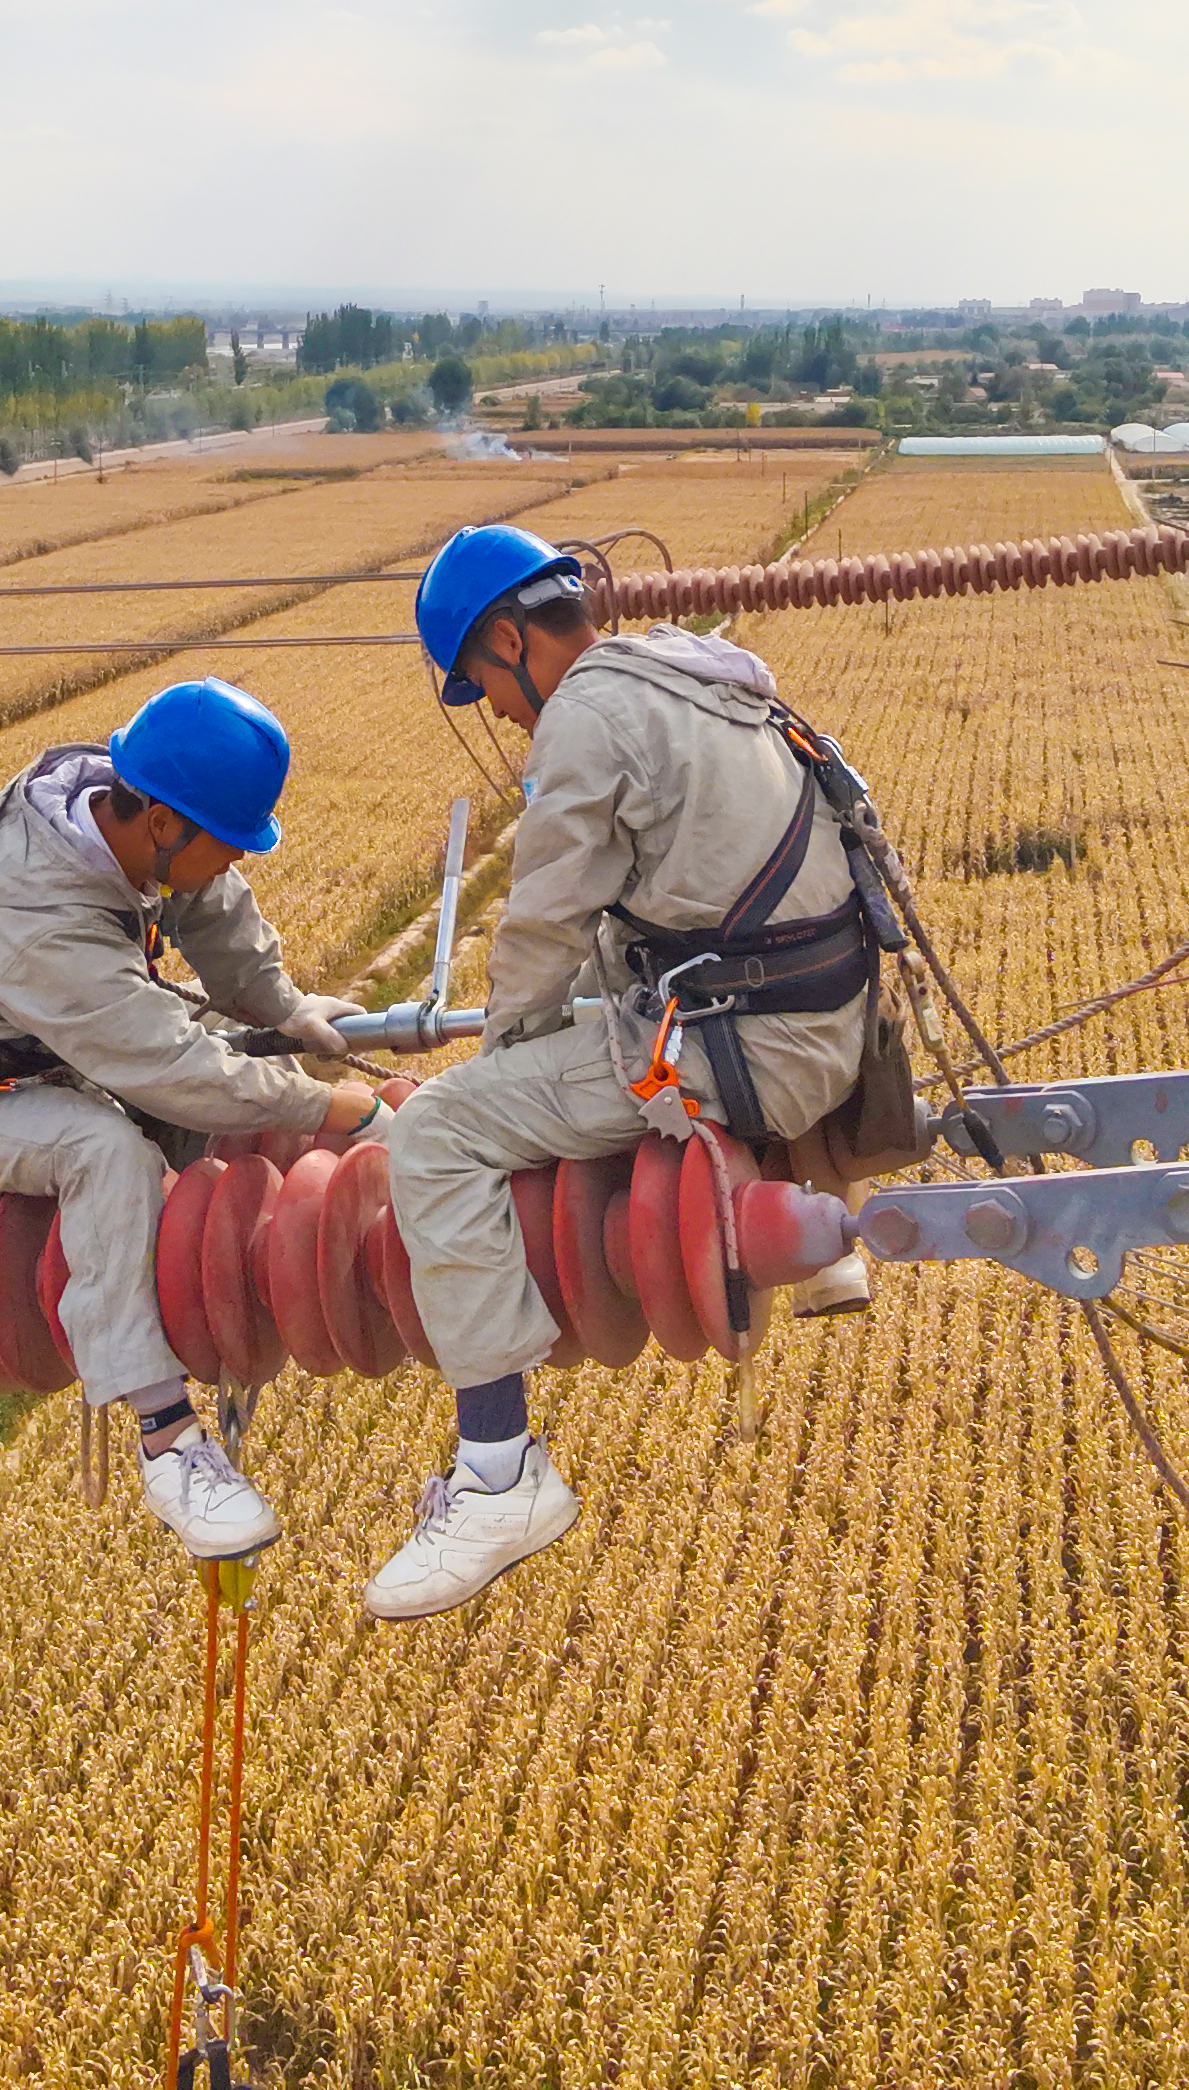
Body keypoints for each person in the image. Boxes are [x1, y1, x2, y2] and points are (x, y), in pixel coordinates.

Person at [365, 526, 891, 1620]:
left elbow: (545, 922)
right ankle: (831, 1226)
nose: (502, 716)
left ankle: (499, 1479)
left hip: (756, 1054)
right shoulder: (689, 665)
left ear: (511, 639)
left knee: (436, 1136)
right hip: (834, 1028)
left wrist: (500, 1070)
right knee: (635, 958)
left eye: (487, 687)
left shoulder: (586, 721)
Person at [0, 678, 399, 1560]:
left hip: (68, 1057)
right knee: (106, 1152)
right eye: (228, 843)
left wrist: (283, 1012)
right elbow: (174, 1072)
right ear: (163, 825)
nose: (236, 861)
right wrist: (329, 1108)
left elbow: (211, 905)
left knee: (226, 1052)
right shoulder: (41, 924)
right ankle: (164, 1441)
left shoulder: (127, 814)